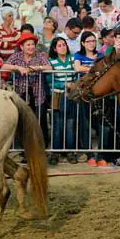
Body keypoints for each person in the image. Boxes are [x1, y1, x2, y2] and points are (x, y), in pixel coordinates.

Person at [2, 33, 51, 145]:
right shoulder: (16, 56)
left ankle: (43, 147)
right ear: (21, 47)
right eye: (28, 44)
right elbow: (4, 66)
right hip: (22, 96)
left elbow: (49, 67)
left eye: (33, 44)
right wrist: (17, 68)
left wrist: (38, 68)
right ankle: (25, 150)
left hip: (38, 95)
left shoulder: (40, 56)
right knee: (24, 123)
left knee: (40, 122)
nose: (31, 47)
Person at [73, 31, 108, 167]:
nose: (92, 44)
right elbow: (77, 68)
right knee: (85, 125)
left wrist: (87, 68)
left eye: (93, 41)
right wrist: (93, 69)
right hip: (85, 95)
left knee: (102, 126)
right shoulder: (78, 55)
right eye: (88, 41)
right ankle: (90, 155)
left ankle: (101, 155)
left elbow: (104, 70)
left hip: (99, 94)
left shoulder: (100, 55)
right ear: (83, 43)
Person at [47, 37, 77, 165]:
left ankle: (69, 151)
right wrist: (64, 85)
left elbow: (76, 76)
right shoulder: (51, 61)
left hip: (70, 95)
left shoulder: (72, 59)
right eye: (59, 45)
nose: (62, 47)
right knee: (57, 125)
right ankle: (55, 152)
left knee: (70, 124)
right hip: (57, 95)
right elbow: (49, 80)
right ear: (54, 48)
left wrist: (72, 84)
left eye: (64, 45)